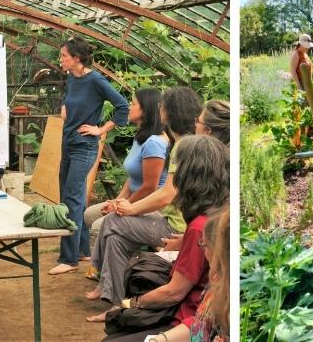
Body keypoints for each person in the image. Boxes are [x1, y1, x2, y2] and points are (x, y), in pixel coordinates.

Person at [85, 87, 202, 322]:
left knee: (112, 221)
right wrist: (123, 203)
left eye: (163, 106)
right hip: (174, 220)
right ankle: (116, 303)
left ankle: (102, 281)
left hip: (175, 225)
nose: (160, 110)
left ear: (170, 111)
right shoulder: (184, 142)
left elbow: (166, 194)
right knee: (116, 236)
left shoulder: (181, 147)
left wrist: (130, 208)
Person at [102, 135, 229, 341]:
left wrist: (132, 302)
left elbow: (174, 292)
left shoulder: (199, 226)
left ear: (189, 176)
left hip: (185, 318)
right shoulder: (216, 213)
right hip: (194, 315)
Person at [49, 36, 129, 275]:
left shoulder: (96, 80)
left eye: (64, 55)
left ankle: (69, 258)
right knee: (70, 196)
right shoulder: (72, 78)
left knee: (71, 199)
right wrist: (65, 107)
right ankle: (82, 250)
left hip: (85, 147)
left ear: (77, 58)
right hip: (68, 143)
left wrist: (100, 129)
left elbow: (122, 106)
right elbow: (68, 101)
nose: (60, 59)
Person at [83, 88, 169, 268]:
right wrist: (117, 200)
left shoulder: (154, 142)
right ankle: (115, 265)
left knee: (99, 225)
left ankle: (109, 270)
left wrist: (124, 206)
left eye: (133, 103)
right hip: (133, 201)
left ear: (145, 110)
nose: (129, 107)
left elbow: (149, 188)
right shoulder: (141, 137)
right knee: (90, 214)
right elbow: (132, 179)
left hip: (151, 206)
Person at [146, 208, 230, 342]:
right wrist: (160, 340)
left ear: (218, 251)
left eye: (204, 245)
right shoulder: (217, 281)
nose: (203, 251)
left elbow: (174, 292)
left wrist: (134, 302)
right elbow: (200, 324)